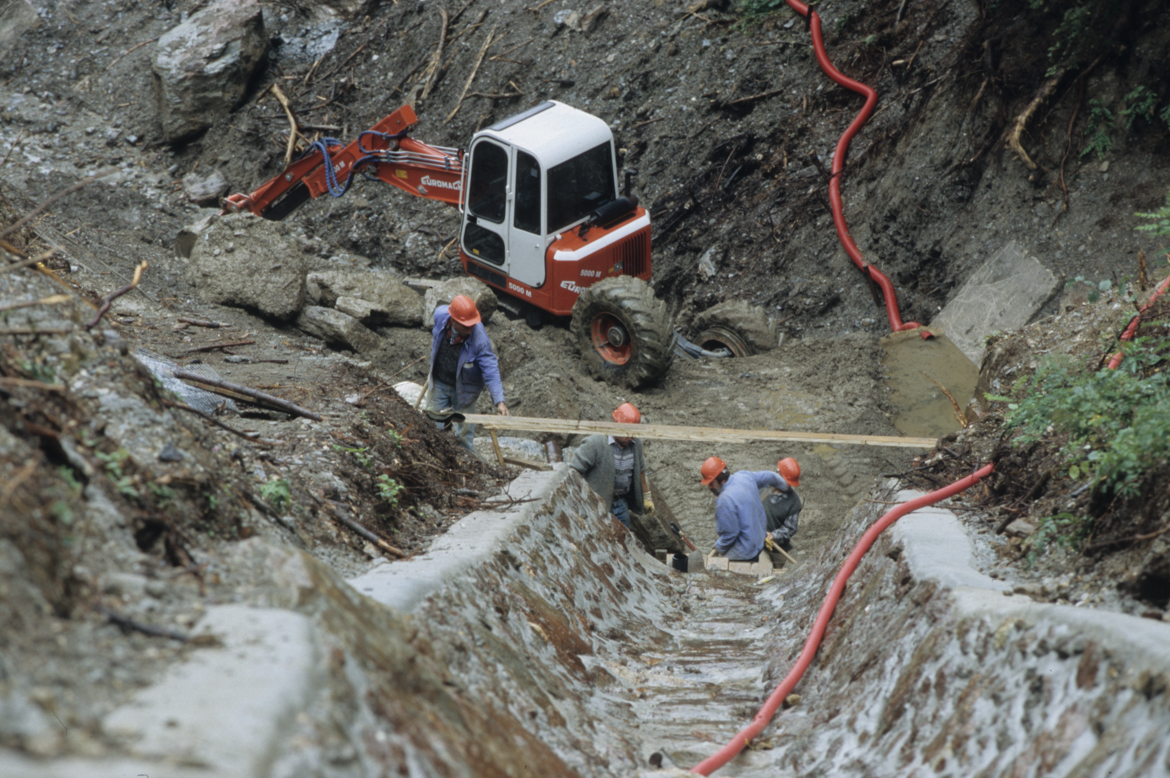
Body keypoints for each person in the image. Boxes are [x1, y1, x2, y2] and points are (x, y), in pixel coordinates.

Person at [426, 295, 508, 453]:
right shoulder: (440, 316)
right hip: (439, 382)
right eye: (467, 326)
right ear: (454, 321)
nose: (471, 329)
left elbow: (490, 369)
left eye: (473, 325)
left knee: (465, 435)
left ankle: (467, 463)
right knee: (433, 426)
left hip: (464, 390)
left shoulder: (479, 337)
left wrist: (499, 401)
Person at [568, 403, 652, 529]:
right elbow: (573, 470)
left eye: (633, 432)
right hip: (596, 503)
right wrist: (579, 499)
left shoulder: (636, 445)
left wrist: (647, 497)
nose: (630, 436)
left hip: (621, 503)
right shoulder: (594, 443)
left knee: (623, 540)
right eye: (626, 431)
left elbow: (641, 470)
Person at [699, 456, 789, 562]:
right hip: (759, 538)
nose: (709, 487)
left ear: (722, 480)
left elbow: (730, 534)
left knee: (723, 564)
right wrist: (784, 486)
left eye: (711, 483)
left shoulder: (724, 500)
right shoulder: (743, 476)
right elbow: (769, 476)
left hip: (746, 551)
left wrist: (718, 546)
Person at [762, 457, 802, 560]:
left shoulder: (793, 501)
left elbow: (790, 528)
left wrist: (774, 535)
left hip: (777, 550)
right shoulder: (762, 487)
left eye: (790, 484)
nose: (788, 486)